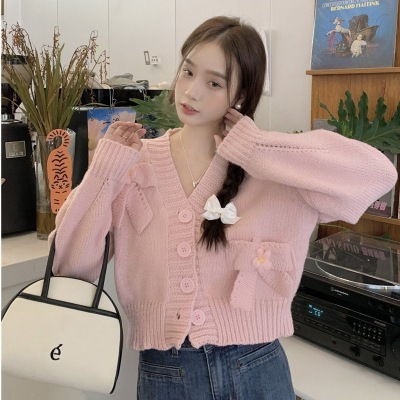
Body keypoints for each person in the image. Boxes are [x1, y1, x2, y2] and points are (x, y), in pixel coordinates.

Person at [50, 16, 398, 400]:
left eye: (214, 83)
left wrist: (256, 148)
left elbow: (377, 175)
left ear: (241, 94)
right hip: (167, 372)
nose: (191, 91)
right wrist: (104, 172)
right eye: (188, 72)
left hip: (257, 368)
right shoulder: (133, 166)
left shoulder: (273, 168)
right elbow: (69, 265)